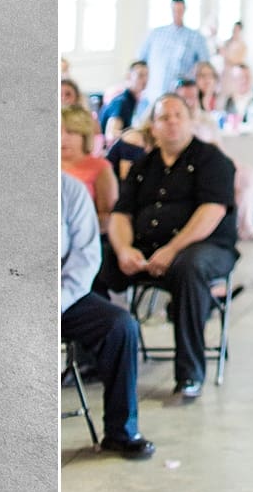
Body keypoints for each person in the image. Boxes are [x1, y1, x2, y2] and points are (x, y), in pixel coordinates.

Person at [92, 93, 237, 400]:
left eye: (177, 116)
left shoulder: (212, 160)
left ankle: (189, 373)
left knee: (190, 266)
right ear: (153, 126)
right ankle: (92, 360)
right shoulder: (144, 165)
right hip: (146, 248)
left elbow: (212, 211)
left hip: (203, 247)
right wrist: (124, 249)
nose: (171, 123)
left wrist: (172, 249)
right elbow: (121, 213)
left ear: (190, 122)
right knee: (93, 259)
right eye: (163, 117)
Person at [61, 173, 153, 459]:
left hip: (62, 295)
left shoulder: (69, 190)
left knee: (119, 325)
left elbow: (86, 258)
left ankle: (121, 431)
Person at [136, 0, 209, 107]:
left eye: (180, 10)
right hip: (155, 92)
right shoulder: (156, 34)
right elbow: (141, 60)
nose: (177, 13)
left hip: (181, 94)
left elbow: (205, 65)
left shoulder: (195, 37)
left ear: (184, 10)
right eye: (175, 10)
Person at [63, 106, 118, 231]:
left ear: (84, 135)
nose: (62, 138)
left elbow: (109, 216)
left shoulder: (101, 167)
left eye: (70, 132)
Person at [102, 61, 149, 139]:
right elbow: (111, 134)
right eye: (140, 75)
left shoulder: (136, 102)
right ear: (128, 76)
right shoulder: (121, 102)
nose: (145, 80)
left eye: (146, 75)